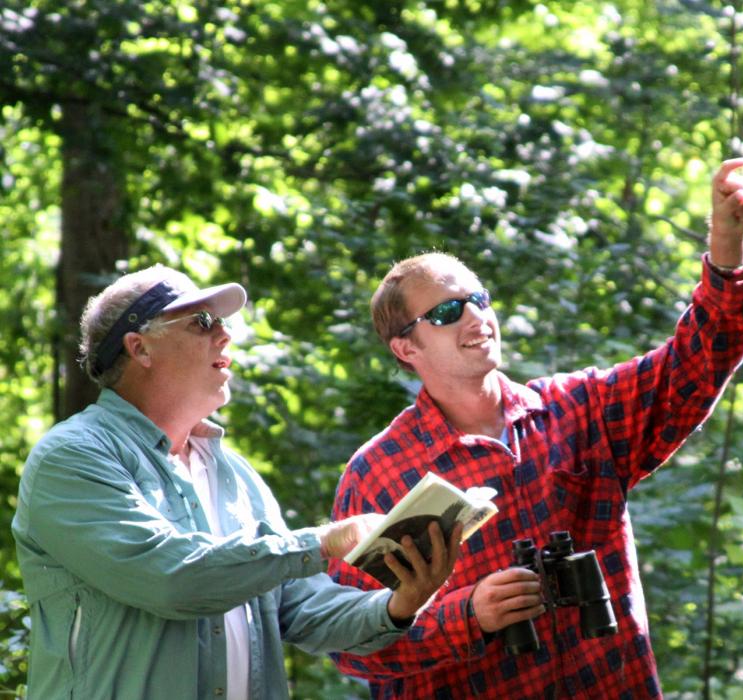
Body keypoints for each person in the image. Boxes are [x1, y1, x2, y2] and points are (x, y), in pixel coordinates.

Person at [328, 158, 743, 698]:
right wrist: (469, 614)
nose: (475, 318)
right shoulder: (378, 474)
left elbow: (701, 358)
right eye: (446, 313)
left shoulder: (577, 409)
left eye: (478, 299)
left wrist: (726, 243)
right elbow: (351, 643)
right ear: (405, 347)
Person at [12, 265, 464, 699]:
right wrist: (324, 542)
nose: (225, 334)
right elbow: (170, 578)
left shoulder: (237, 476)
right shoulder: (72, 456)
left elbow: (301, 608)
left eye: (221, 322)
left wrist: (399, 604)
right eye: (202, 321)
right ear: (140, 348)